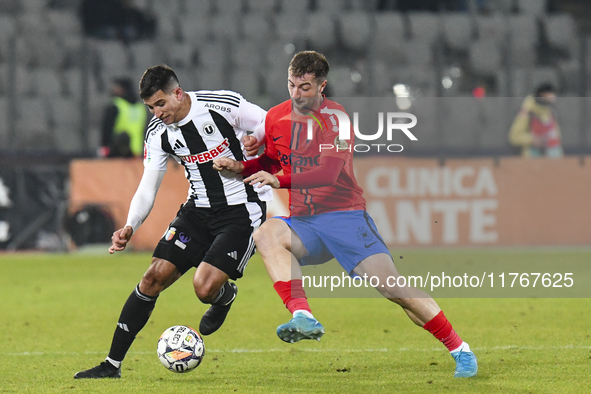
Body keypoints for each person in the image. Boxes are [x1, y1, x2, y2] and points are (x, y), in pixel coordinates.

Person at [213, 51, 478, 378]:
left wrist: (278, 180)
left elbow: (328, 174)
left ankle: (459, 348)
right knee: (267, 234)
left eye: (305, 87)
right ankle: (303, 315)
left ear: (322, 86)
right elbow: (270, 160)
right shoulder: (276, 117)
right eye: (291, 85)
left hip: (345, 218)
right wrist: (240, 167)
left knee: (395, 290)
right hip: (306, 223)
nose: (296, 94)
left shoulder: (336, 120)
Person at [74, 65, 268, 379]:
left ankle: (223, 296)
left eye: (161, 104)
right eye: (151, 107)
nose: (157, 112)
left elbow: (267, 123)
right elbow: (148, 186)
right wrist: (130, 226)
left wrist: (255, 143)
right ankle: (111, 365)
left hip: (240, 209)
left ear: (178, 93)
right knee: (152, 277)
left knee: (203, 288)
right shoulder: (158, 133)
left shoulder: (221, 105)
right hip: (197, 211)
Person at [508, 83, 563, 158]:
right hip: (532, 160)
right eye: (550, 94)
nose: (553, 98)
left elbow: (557, 138)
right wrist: (533, 139)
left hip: (553, 161)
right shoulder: (527, 112)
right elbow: (514, 137)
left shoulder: (550, 112)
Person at [100, 78, 148, 158]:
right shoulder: (140, 108)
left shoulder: (116, 105)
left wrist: (104, 147)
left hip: (116, 152)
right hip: (136, 152)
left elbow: (107, 128)